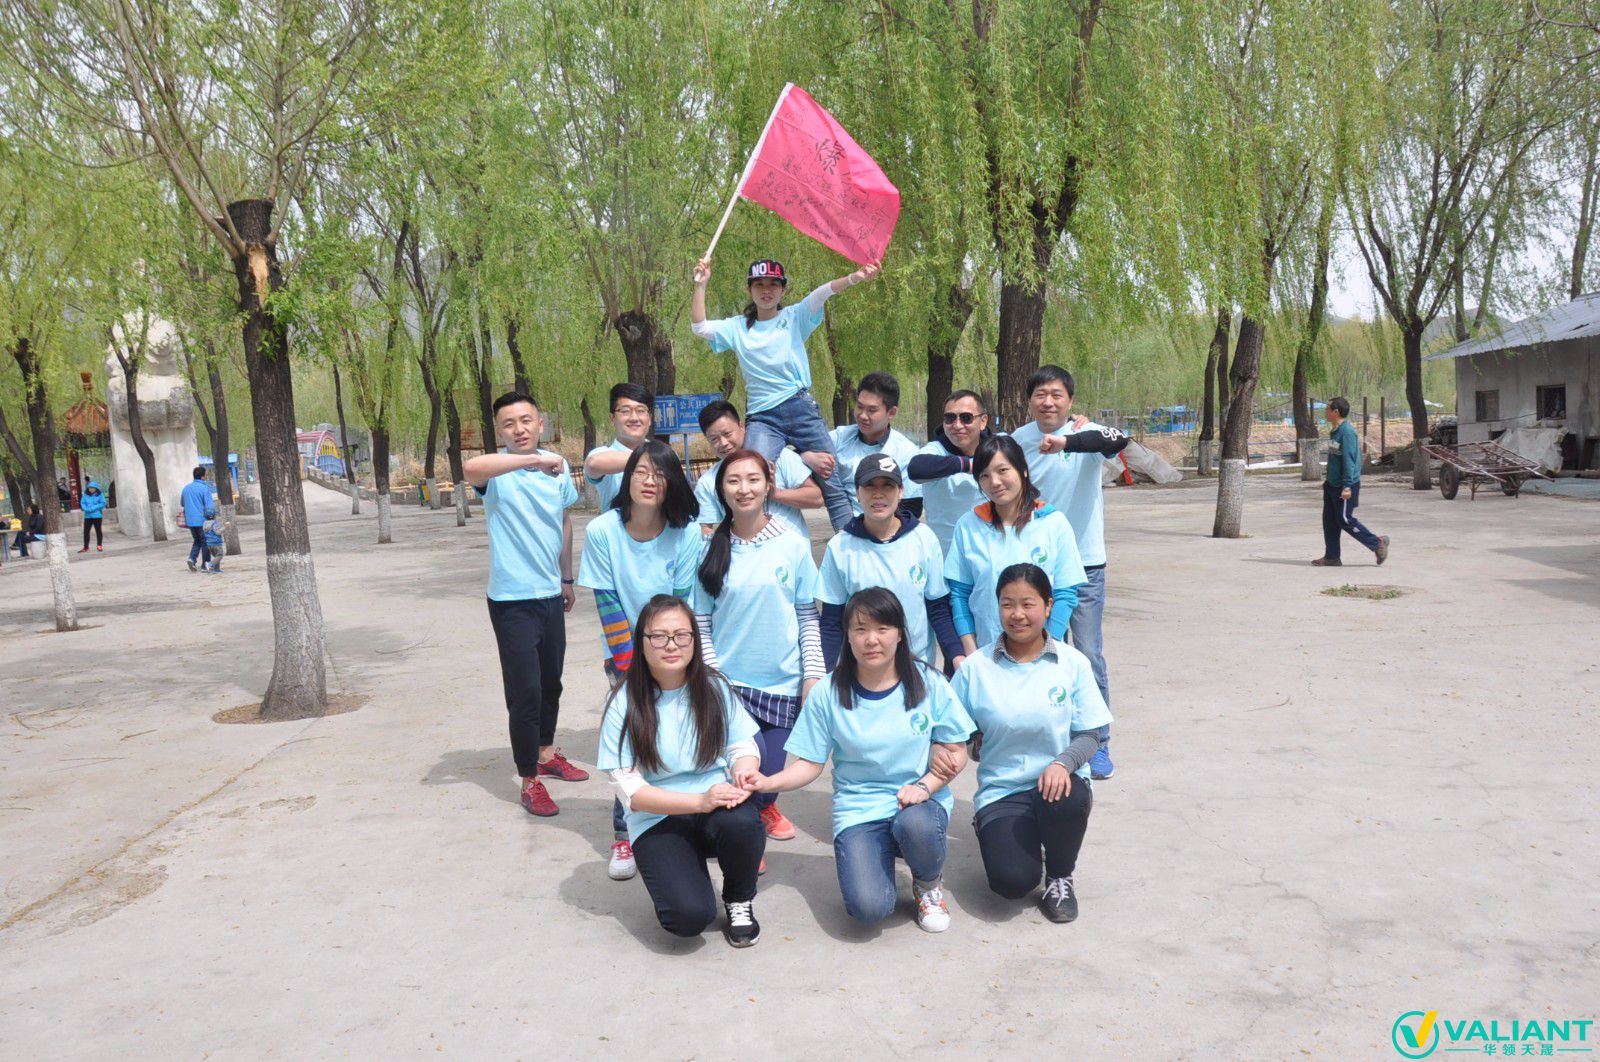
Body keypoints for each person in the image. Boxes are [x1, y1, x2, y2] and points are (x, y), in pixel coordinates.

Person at [745, 588, 975, 932]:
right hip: (859, 809)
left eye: (883, 629)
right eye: (860, 629)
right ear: (848, 635)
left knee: (917, 826)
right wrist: (768, 782)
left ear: (900, 634)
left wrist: (925, 786)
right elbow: (810, 763)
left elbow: (957, 750)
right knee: (869, 909)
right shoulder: (828, 692)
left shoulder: (928, 681)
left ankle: (927, 884)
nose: (872, 640)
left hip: (918, 803)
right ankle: (877, 852)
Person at [943, 563, 1112, 923]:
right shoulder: (975, 668)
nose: (1017, 614)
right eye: (1007, 604)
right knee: (1012, 882)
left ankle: (1060, 876)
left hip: (1058, 785)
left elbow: (1090, 735)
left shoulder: (1072, 663)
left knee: (1066, 798)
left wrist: (1062, 763)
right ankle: (998, 830)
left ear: (1048, 606)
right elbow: (951, 732)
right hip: (1002, 790)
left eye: (1027, 604)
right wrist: (972, 747)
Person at [597, 595, 766, 947]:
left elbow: (742, 746)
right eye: (659, 636)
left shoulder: (714, 686)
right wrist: (699, 802)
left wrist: (744, 771)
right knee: (688, 918)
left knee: (744, 822)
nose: (671, 645)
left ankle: (738, 898)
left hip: (716, 802)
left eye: (681, 635)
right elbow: (631, 792)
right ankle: (681, 867)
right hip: (657, 816)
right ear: (642, 642)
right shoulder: (623, 701)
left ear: (694, 639)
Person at [578, 440, 704, 881]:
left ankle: (685, 821)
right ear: (628, 477)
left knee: (678, 735)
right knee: (633, 735)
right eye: (641, 472)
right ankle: (624, 833)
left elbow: (681, 602)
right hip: (625, 655)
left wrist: (672, 655)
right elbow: (607, 602)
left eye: (661, 474)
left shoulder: (686, 532)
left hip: (674, 648)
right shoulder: (602, 531)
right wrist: (632, 668)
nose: (650, 481)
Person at [690, 255, 881, 532]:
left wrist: (855, 277)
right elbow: (699, 327)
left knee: (831, 481)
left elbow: (822, 292)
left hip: (800, 409)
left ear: (783, 290)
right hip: (763, 418)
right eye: (759, 284)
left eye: (773, 284)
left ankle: (850, 545)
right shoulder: (737, 327)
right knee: (752, 476)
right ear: (749, 290)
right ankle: (750, 540)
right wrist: (701, 284)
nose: (766, 290)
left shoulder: (794, 317)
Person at [692, 449, 824, 845]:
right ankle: (746, 843)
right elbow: (701, 622)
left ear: (768, 486)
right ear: (722, 491)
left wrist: (813, 675)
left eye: (753, 479)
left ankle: (763, 808)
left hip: (783, 685)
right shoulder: (708, 548)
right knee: (739, 773)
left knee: (768, 778)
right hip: (730, 686)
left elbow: (807, 615)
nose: (744, 489)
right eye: (733, 481)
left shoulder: (793, 544)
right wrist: (714, 679)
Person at [463, 392, 585, 819]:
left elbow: (563, 521)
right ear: (500, 431)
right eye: (509, 423)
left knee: (551, 683)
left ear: (540, 423)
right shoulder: (496, 470)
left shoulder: (558, 468)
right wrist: (530, 460)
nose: (520, 429)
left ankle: (546, 754)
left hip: (550, 594)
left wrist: (566, 578)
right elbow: (470, 469)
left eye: (526, 420)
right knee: (525, 692)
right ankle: (529, 779)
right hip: (511, 600)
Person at [1007, 366, 1131, 779]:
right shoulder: (1017, 442)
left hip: (1085, 564)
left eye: (1057, 395)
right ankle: (1051, 740)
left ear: (1070, 401)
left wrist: (1068, 441)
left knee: (1089, 653)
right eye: (1040, 394)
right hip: (1037, 567)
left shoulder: (1087, 434)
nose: (1048, 402)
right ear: (1029, 400)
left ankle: (1098, 742)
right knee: (1042, 653)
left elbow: (1120, 441)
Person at [817, 455, 963, 672]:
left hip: (916, 668)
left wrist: (956, 655)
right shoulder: (840, 547)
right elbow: (832, 621)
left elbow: (938, 608)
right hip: (861, 671)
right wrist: (824, 675)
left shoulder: (923, 538)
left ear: (901, 491)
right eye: (869, 485)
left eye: (887, 485)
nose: (878, 494)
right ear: (857, 493)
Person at [945, 435, 1087, 656]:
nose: (995, 482)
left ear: (1023, 470)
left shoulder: (1053, 523)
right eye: (984, 475)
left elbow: (1065, 594)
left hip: (1041, 654)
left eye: (1002, 470)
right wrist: (972, 653)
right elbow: (959, 594)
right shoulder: (968, 525)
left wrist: (1048, 647)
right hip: (986, 652)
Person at [693, 400, 821, 539]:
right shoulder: (707, 481)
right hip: (741, 550)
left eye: (727, 433)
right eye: (714, 439)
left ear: (742, 426)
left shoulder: (780, 457)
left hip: (791, 551)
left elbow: (817, 498)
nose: (723, 443)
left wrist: (776, 494)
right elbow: (704, 528)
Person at [826, 372, 923, 518]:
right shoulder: (839, 438)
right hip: (845, 526)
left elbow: (911, 510)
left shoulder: (907, 453)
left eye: (872, 410)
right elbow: (802, 448)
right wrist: (810, 456)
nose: (862, 415)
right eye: (859, 407)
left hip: (888, 527)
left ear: (891, 412)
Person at [908, 390, 994, 553]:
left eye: (966, 418)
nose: (957, 425)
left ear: (983, 421)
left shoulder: (999, 447)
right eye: (950, 418)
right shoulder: (936, 450)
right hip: (946, 557)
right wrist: (967, 465)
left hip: (991, 555)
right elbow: (916, 469)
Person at [1314, 395, 1390, 568]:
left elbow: (1349, 461)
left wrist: (1347, 486)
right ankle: (1332, 557)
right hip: (1332, 484)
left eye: (1327, 408)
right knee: (1329, 521)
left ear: (1336, 412)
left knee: (1344, 520)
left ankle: (1377, 543)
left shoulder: (1347, 432)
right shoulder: (1335, 431)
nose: (1325, 411)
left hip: (1344, 486)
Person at [583, 382, 655, 511]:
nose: (634, 418)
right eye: (625, 411)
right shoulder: (603, 455)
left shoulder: (664, 452)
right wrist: (656, 459)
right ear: (612, 418)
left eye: (641, 411)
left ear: (649, 418)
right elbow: (593, 464)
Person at [179, 466, 214, 572]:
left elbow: (182, 503)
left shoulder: (186, 488)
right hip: (202, 520)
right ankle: (205, 565)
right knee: (206, 542)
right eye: (205, 475)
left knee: (197, 540)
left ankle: (192, 559)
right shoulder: (204, 488)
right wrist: (211, 518)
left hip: (190, 520)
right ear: (203, 476)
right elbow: (209, 506)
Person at [79, 478, 106, 552]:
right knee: (86, 532)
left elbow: (103, 503)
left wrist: (93, 508)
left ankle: (99, 545)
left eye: (93, 488)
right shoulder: (85, 495)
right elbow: (82, 503)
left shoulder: (100, 494)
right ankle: (86, 547)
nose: (91, 489)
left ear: (96, 488)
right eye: (90, 488)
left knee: (98, 531)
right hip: (88, 516)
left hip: (97, 516)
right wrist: (86, 509)